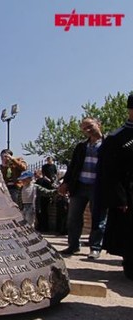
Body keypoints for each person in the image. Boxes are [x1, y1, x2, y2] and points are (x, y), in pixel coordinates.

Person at [57, 117, 106, 257]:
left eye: (90, 126)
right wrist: (65, 183)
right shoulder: (81, 147)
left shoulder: (107, 144)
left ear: (98, 124)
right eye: (84, 128)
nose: (87, 130)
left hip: (98, 187)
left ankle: (95, 248)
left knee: (98, 218)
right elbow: (72, 167)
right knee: (73, 218)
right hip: (79, 186)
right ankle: (73, 246)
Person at [99, 94, 133, 278]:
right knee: (129, 235)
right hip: (128, 193)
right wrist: (120, 198)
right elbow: (110, 172)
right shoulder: (118, 137)